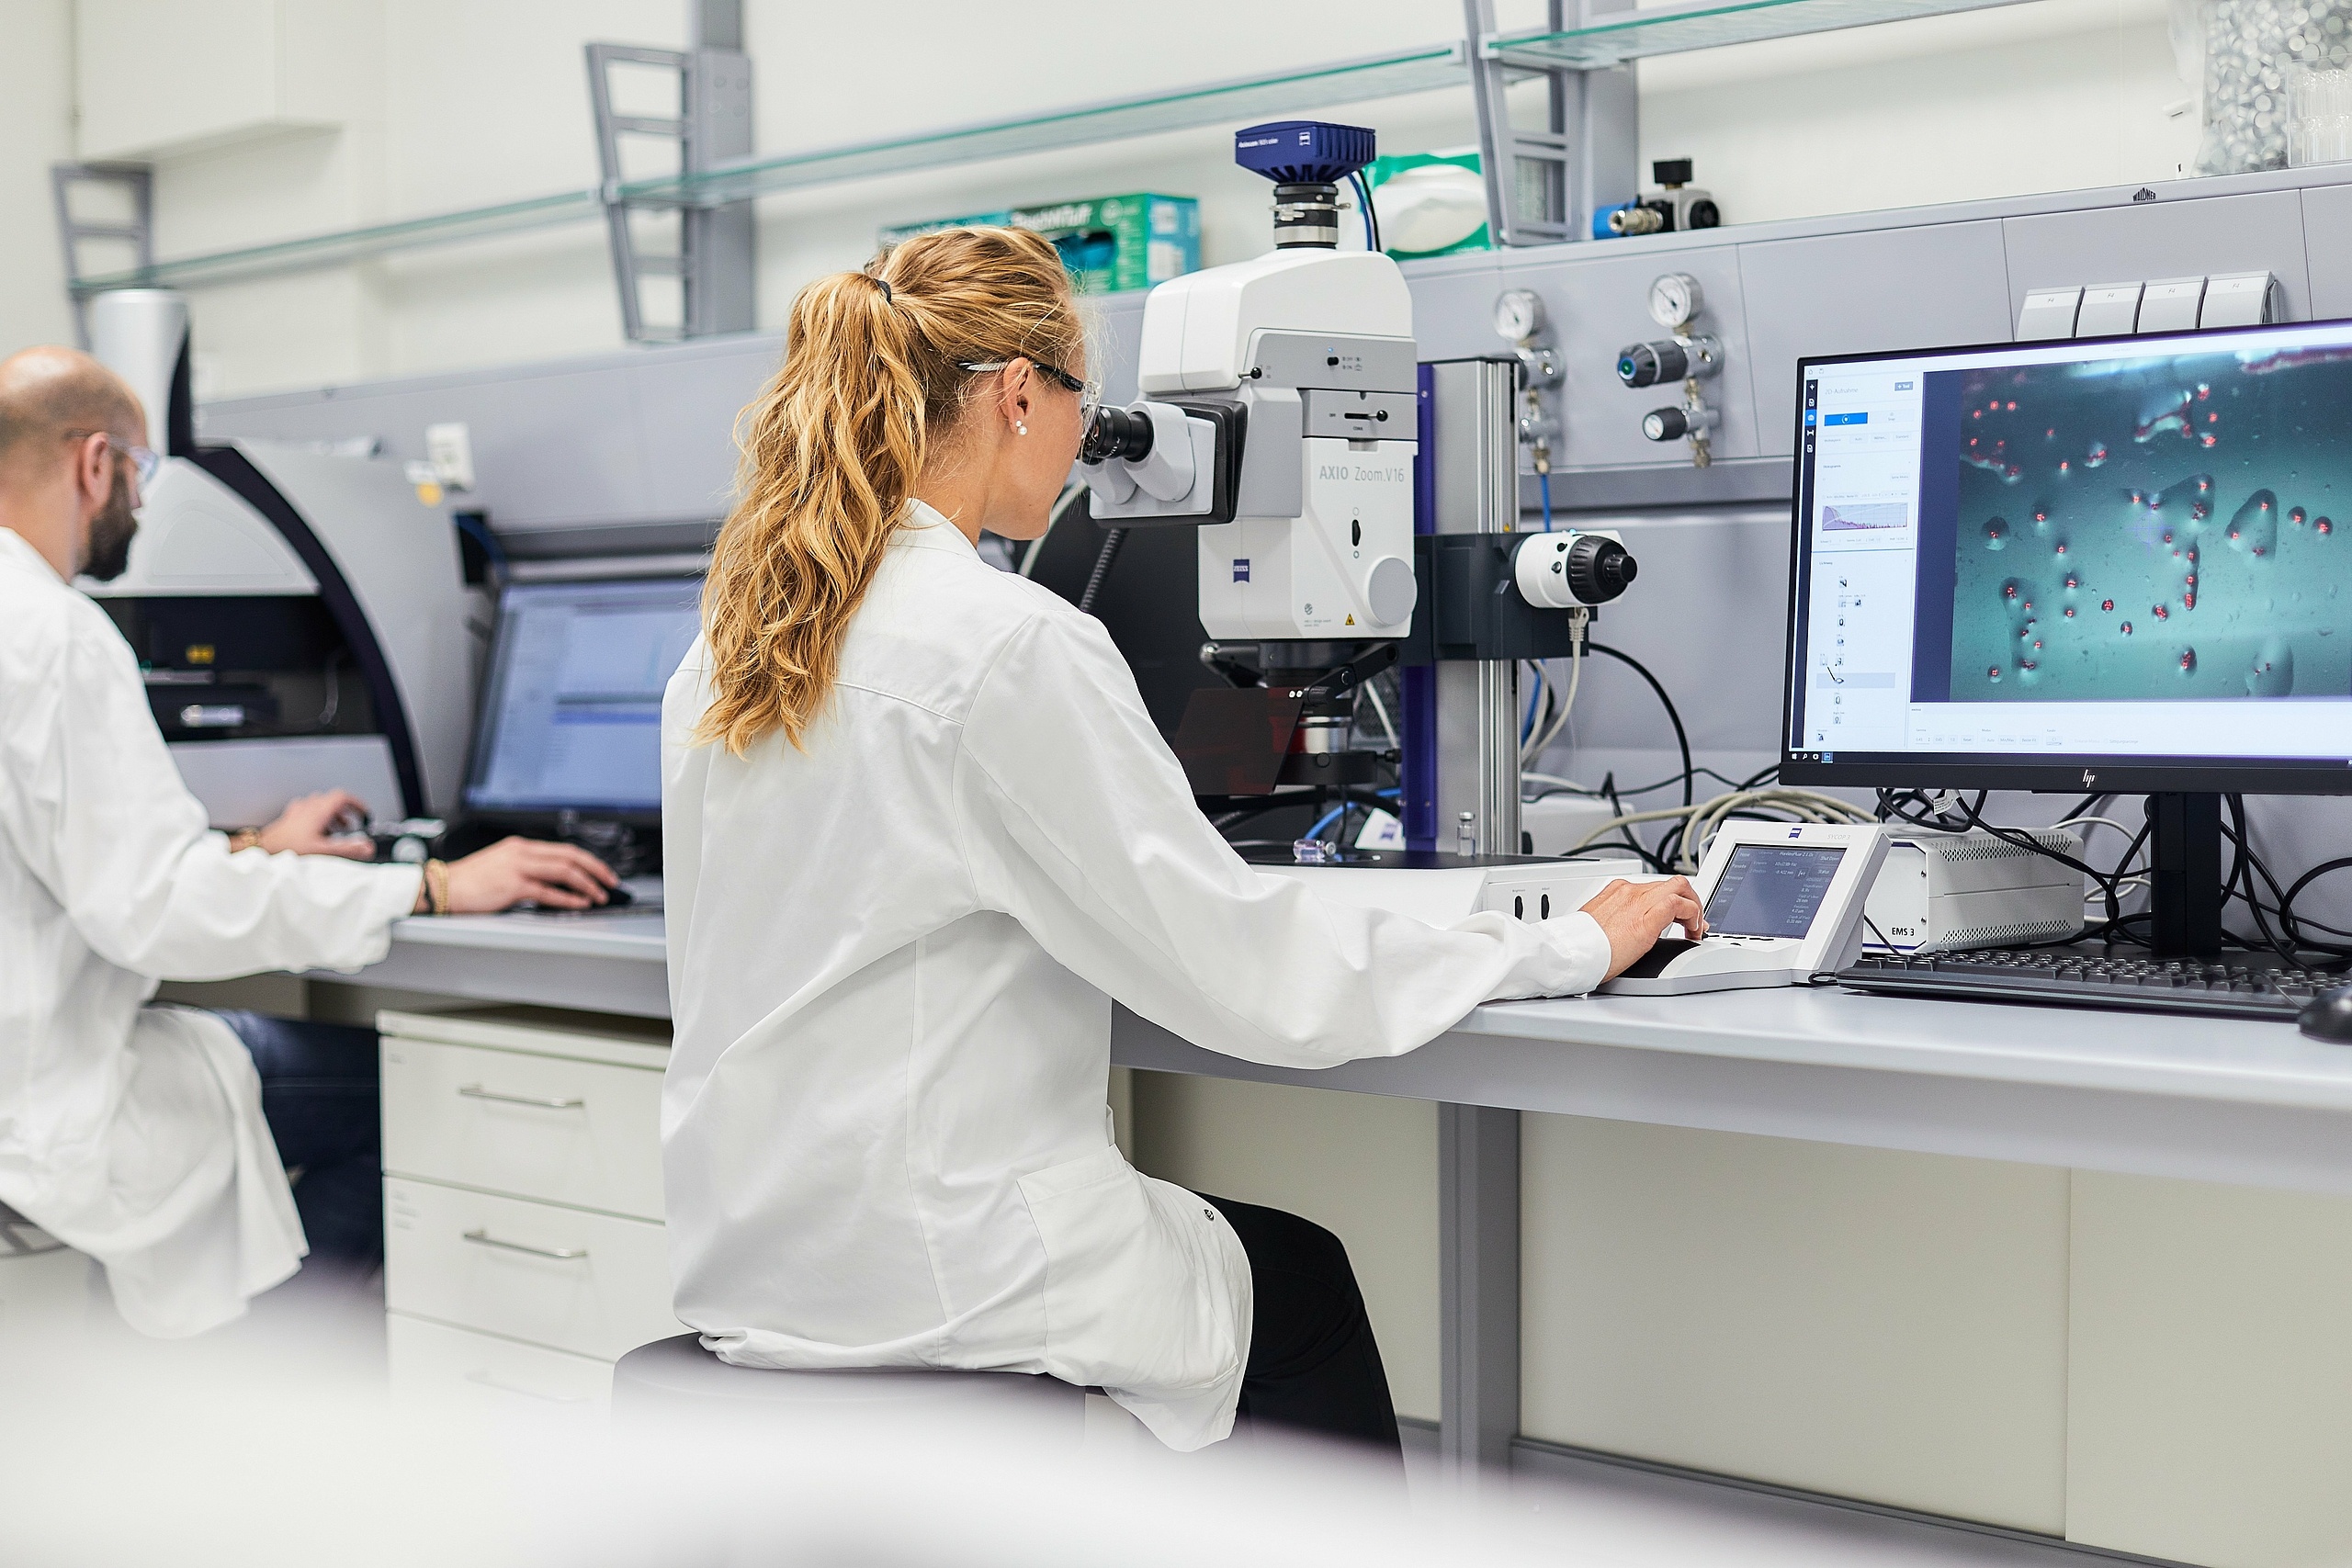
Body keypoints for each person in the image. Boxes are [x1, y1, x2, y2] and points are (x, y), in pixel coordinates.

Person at [660, 228, 1702, 1458]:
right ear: (1016, 394)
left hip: (762, 1272)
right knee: (1301, 1285)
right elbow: (1247, 973)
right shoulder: (1005, 641)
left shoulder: (735, 645)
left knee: (1265, 1272)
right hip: (947, 1279)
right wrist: (1558, 944)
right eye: (1079, 401)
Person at [0, 345, 617, 1337]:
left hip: (26, 1075)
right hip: (51, 1105)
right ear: (94, 463)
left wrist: (247, 846)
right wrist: (435, 890)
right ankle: (253, 1386)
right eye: (145, 475)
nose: (144, 508)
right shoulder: (55, 634)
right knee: (394, 1101)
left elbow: (53, 857)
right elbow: (158, 913)